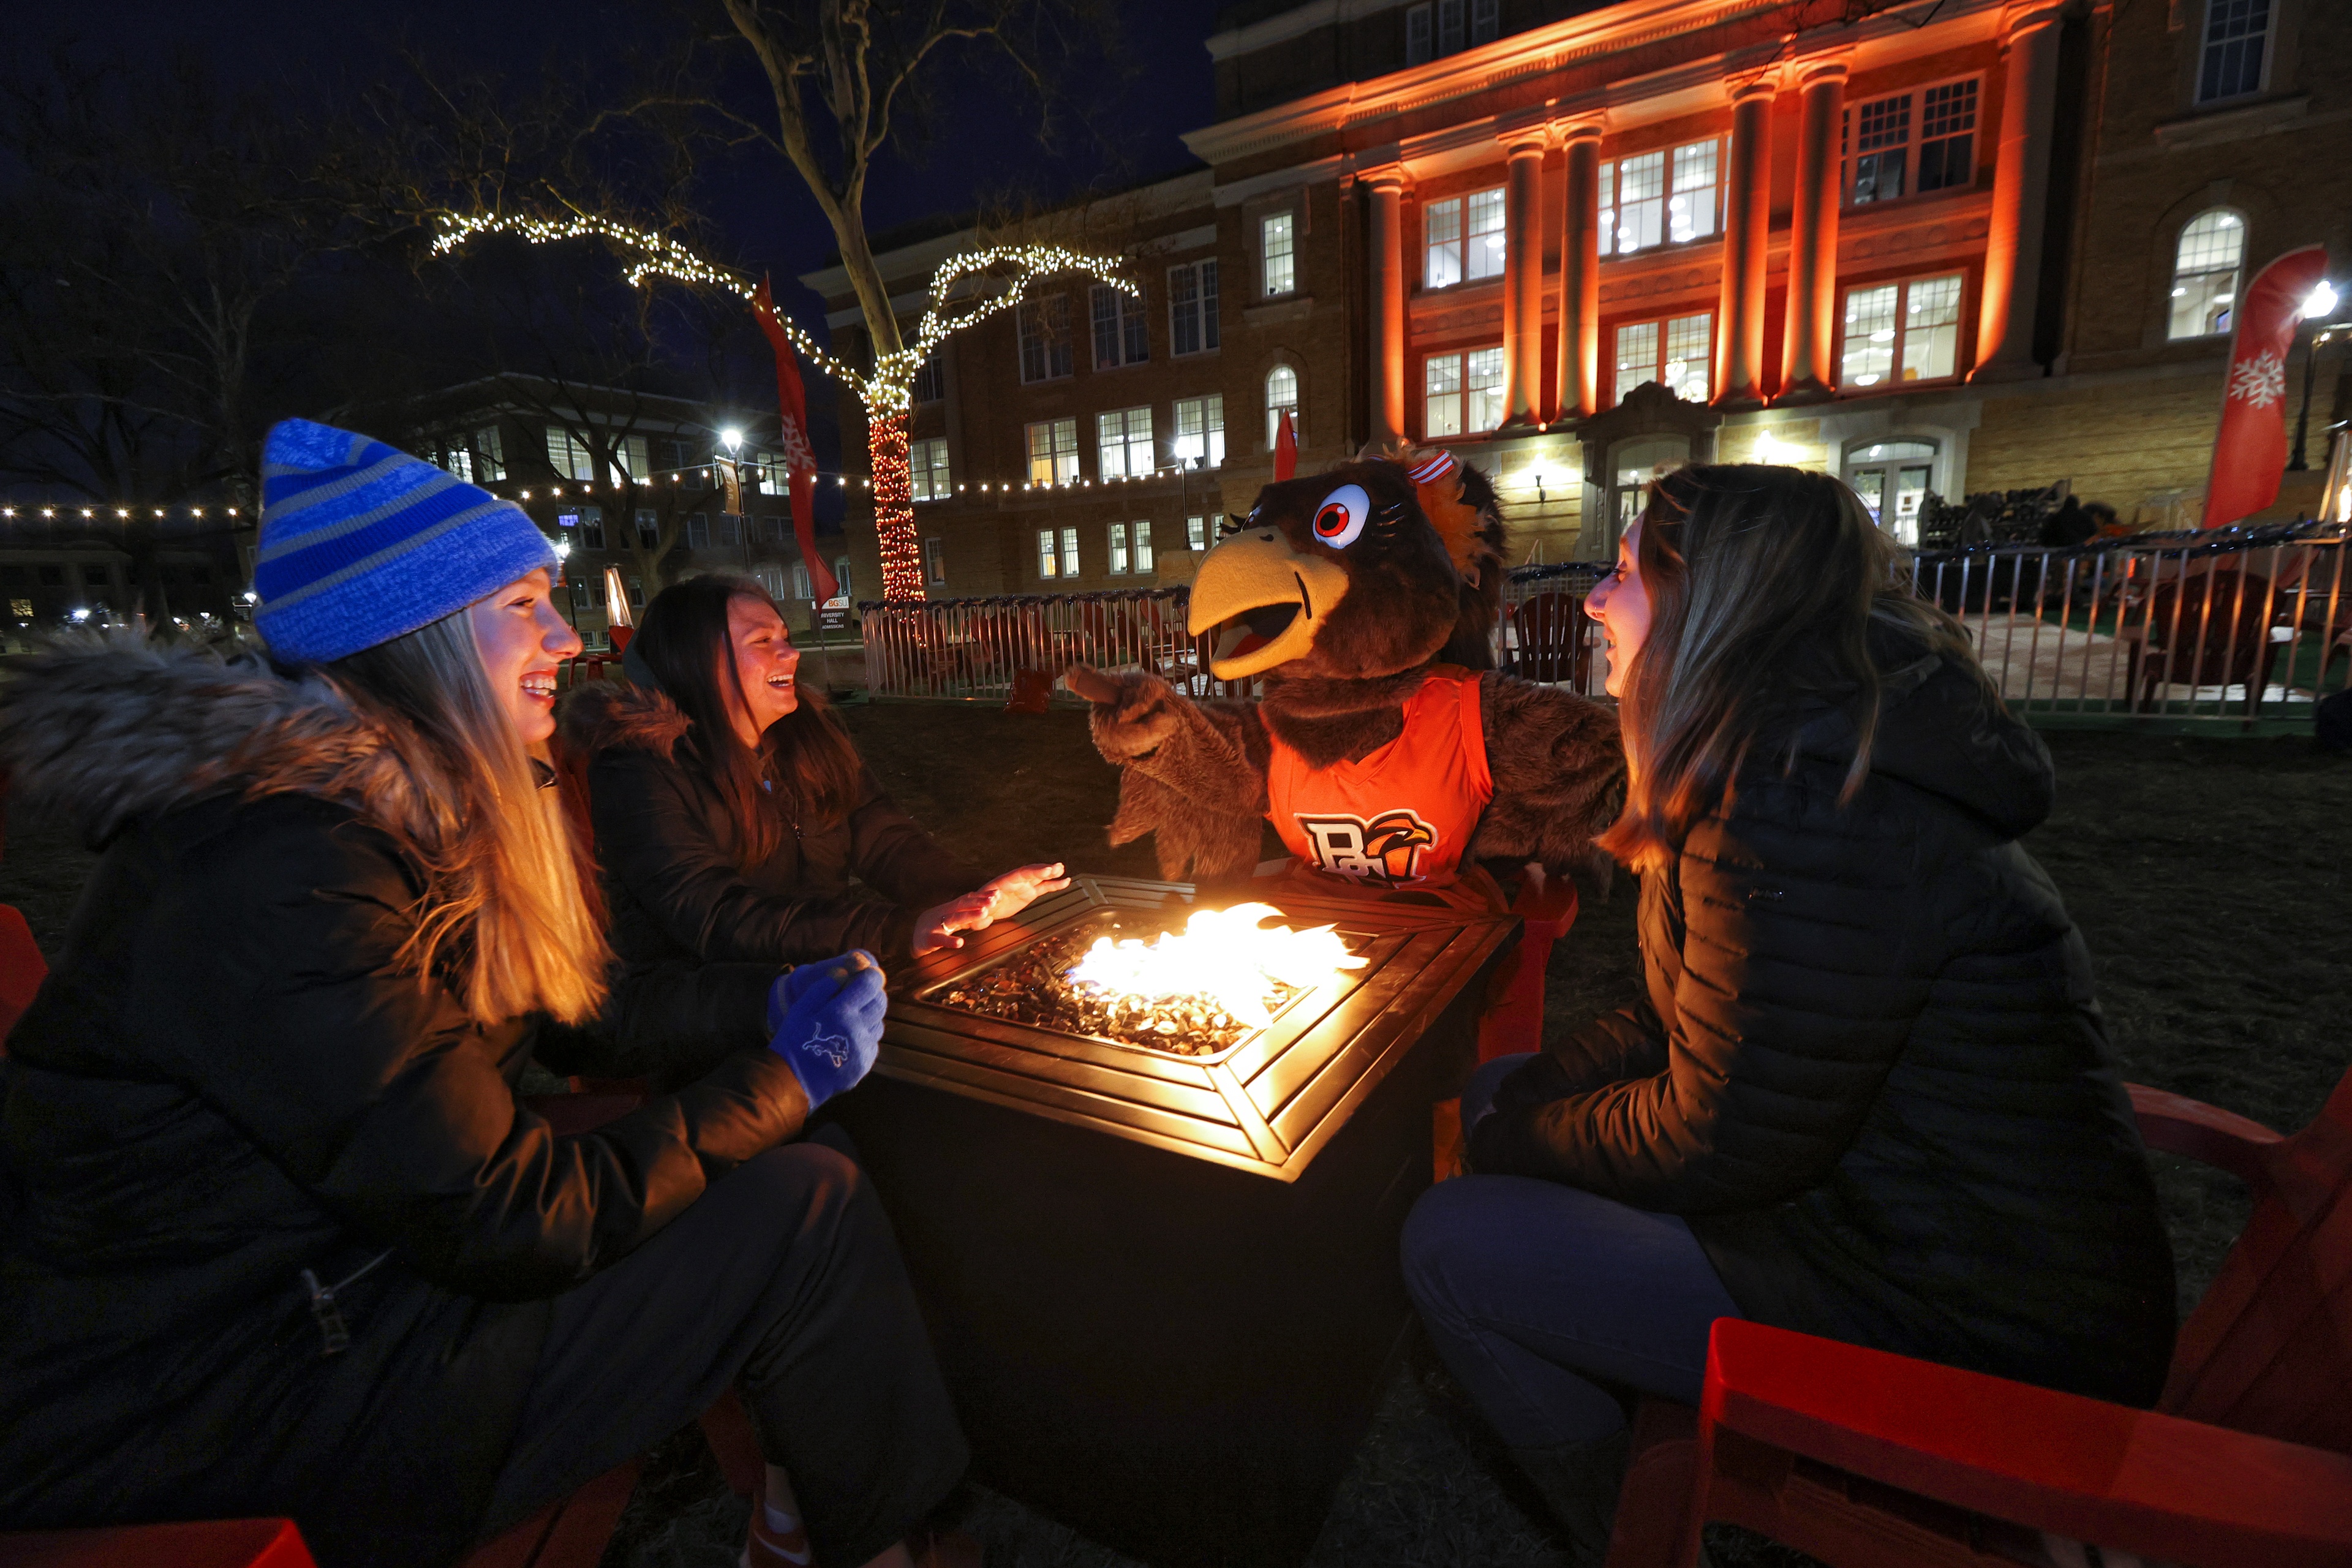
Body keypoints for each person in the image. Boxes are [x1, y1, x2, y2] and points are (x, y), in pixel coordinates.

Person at [0, 421, 969, 1568]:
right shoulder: (278, 867)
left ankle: (811, 1528)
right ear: (414, 638)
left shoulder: (406, 810)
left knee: (814, 1178)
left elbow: (580, 1012)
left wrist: (769, 1006)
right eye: (522, 604)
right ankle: (881, 1545)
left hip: (352, 1293)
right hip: (216, 1393)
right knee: (803, 1207)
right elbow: (513, 1219)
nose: (566, 635)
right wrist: (784, 1077)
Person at [1402, 464, 2175, 1556]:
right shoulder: (1782, 753)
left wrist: (1517, 1143)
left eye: (1625, 574)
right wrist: (1526, 1104)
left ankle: (1645, 1521)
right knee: (1495, 1090)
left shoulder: (1801, 808)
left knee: (1450, 1239)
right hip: (1877, 1218)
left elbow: (1720, 1138)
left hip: (1966, 1321)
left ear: (1714, 604)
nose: (1590, 600)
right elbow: (1699, 1013)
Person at [564, 573, 1066, 1035]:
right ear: (696, 660)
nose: (790, 654)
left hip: (833, 979)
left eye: (785, 637)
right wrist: (897, 930)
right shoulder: (640, 767)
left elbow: (886, 842)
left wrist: (976, 898)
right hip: (722, 1016)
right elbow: (715, 916)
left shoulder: (807, 736)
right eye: (762, 642)